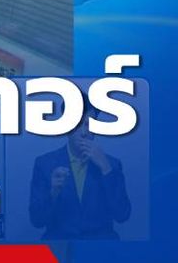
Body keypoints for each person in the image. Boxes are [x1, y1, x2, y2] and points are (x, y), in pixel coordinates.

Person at [28, 101, 131, 239]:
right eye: (77, 124)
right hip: (61, 246)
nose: (83, 133)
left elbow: (122, 215)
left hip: (101, 246)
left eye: (89, 125)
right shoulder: (45, 164)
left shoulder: (112, 164)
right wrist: (53, 193)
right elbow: (37, 220)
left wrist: (106, 169)